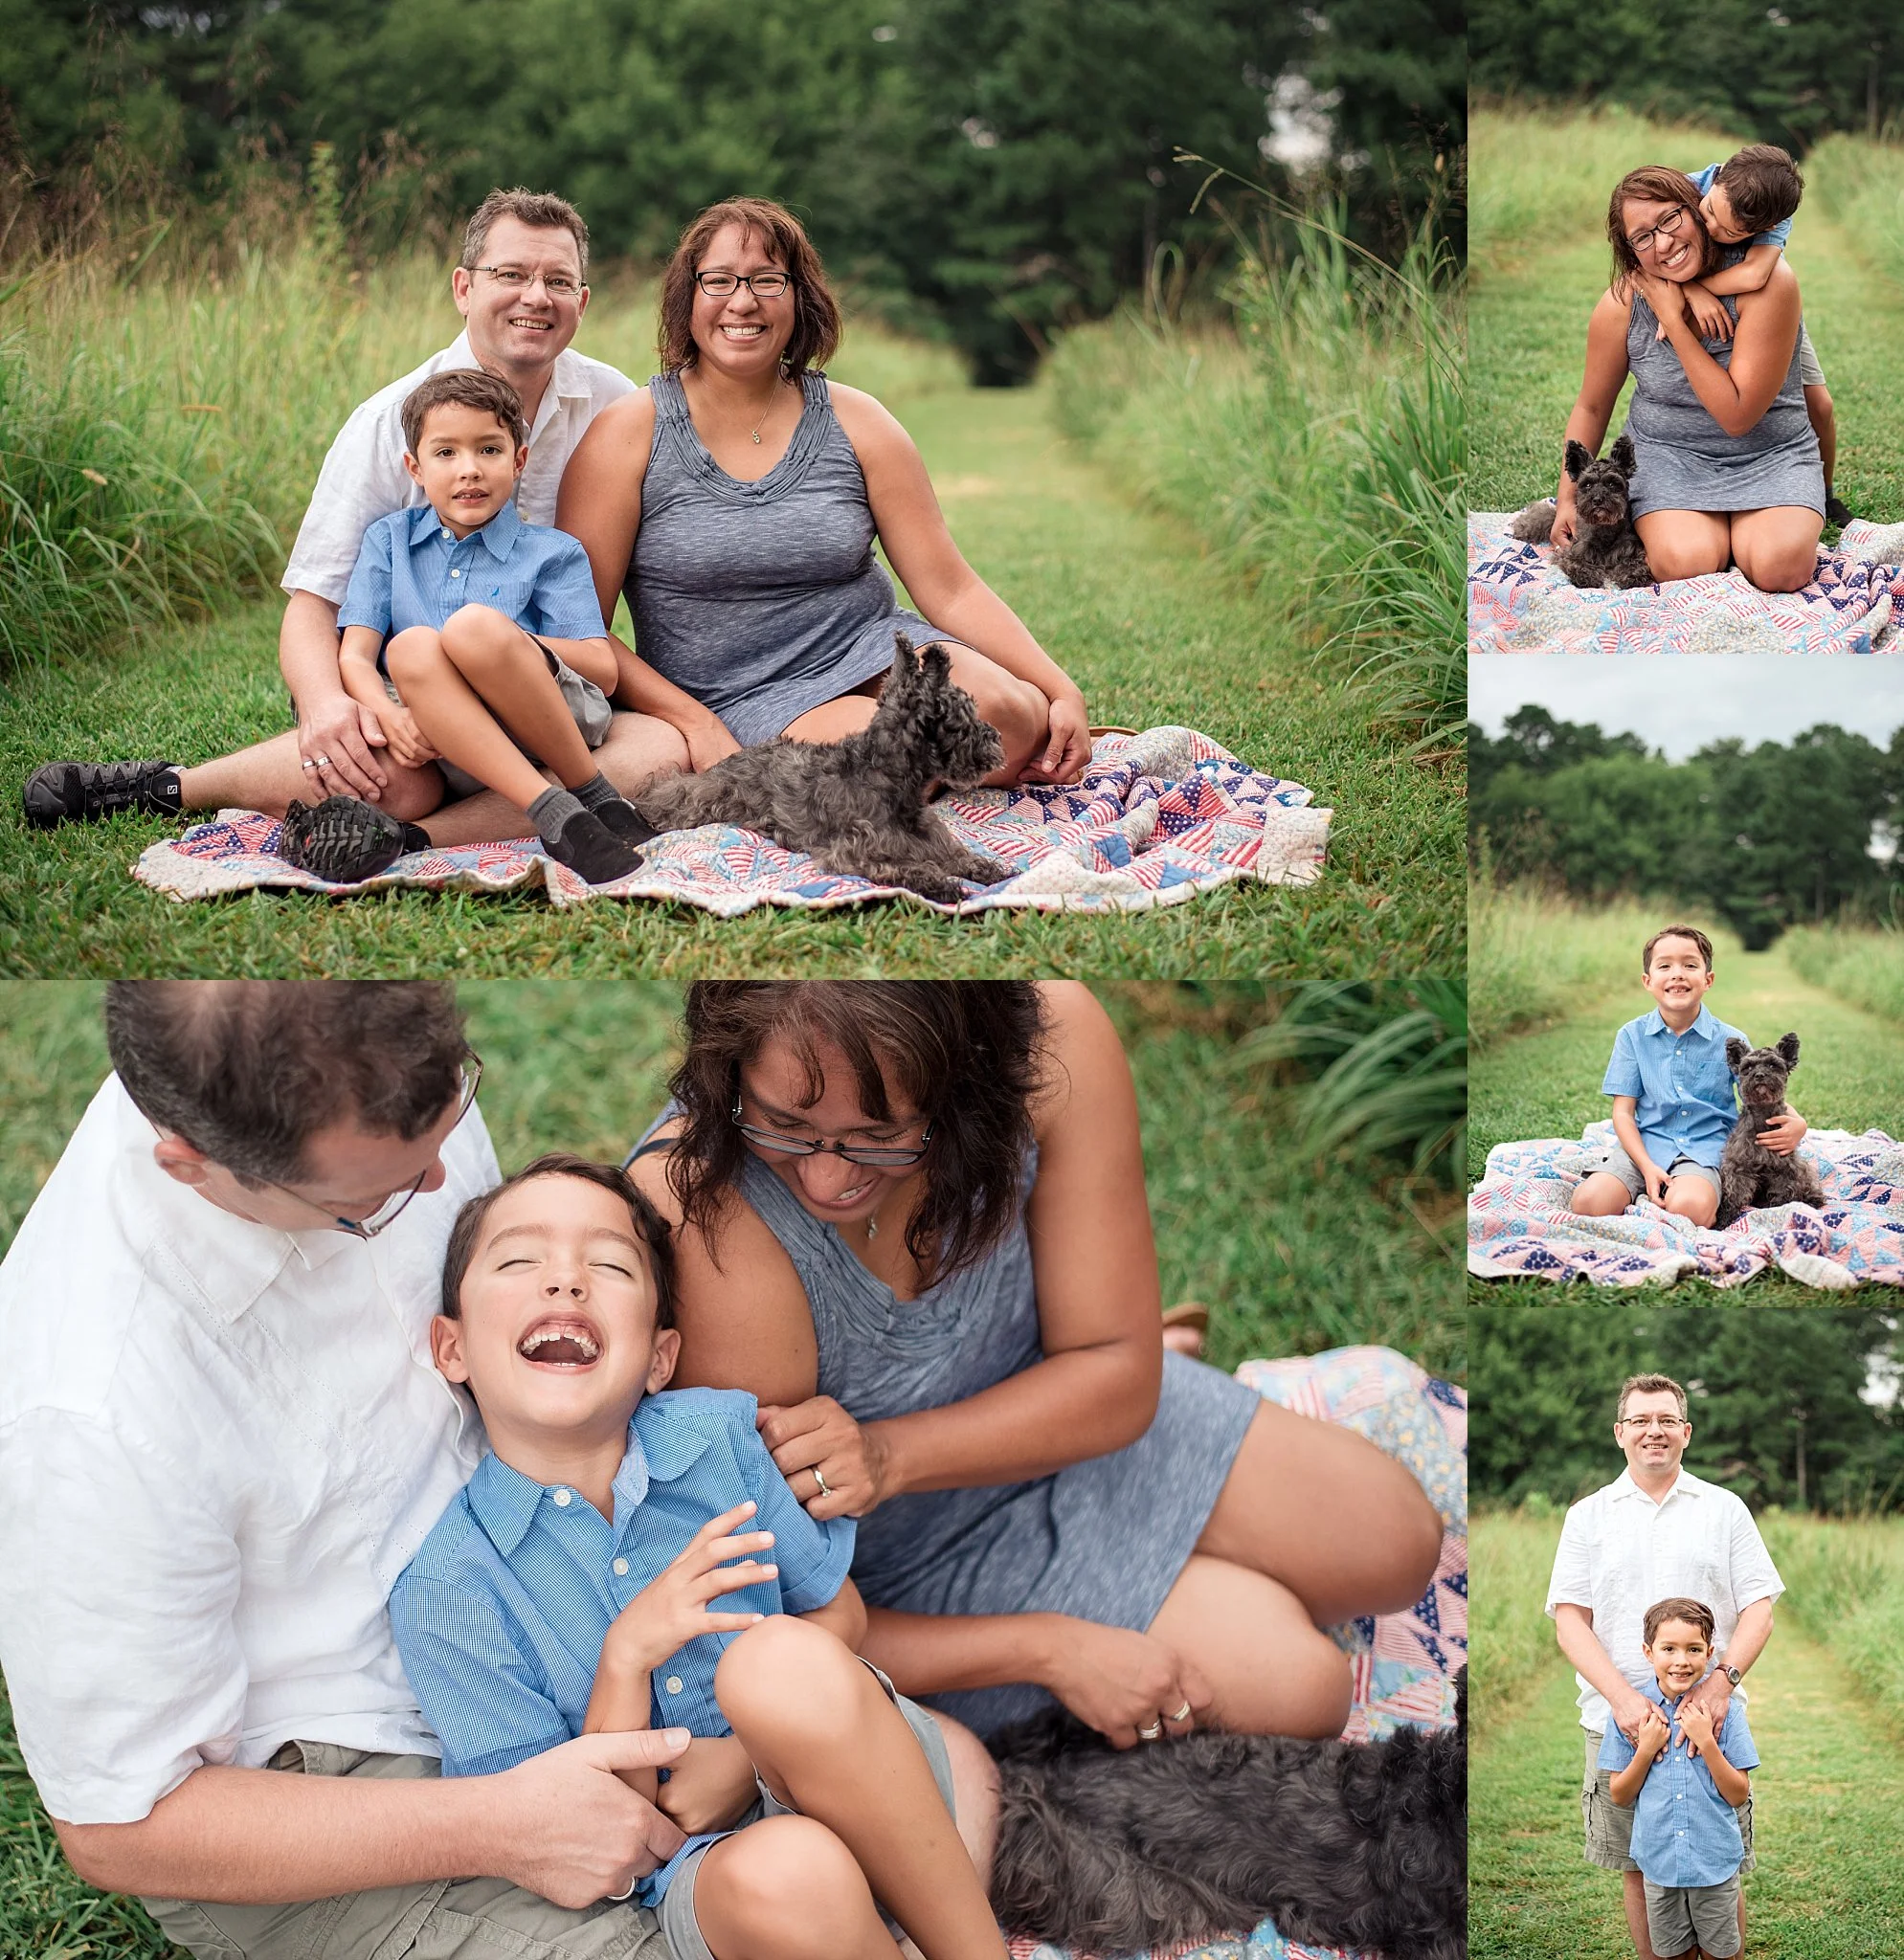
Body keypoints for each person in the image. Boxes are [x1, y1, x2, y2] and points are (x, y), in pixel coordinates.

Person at [0, 983, 997, 1960]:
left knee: (929, 1776)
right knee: (798, 1882)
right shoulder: (90, 1408)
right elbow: (119, 1825)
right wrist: (499, 1820)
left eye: (449, 1125)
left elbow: (814, 1609)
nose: (438, 1183)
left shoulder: (378, 1100)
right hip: (337, 1790)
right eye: (369, 1200)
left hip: (581, 1647)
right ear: (191, 1163)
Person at [627, 981, 1445, 1753]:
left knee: (1397, 1543)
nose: (828, 1177)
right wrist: (1049, 1651)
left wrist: (888, 1454)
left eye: (883, 1137)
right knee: (1306, 1687)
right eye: (783, 1126)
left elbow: (1113, 1372)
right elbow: (774, 1621)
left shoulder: (1052, 1043)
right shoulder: (711, 1211)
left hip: (1059, 1418)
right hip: (903, 1577)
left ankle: (1178, 1524)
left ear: (974, 1084)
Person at [391, 1155, 1006, 1960]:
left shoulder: (715, 1439)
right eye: (518, 1261)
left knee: (782, 1661)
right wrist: (625, 1657)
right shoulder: (447, 1592)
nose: (565, 1283)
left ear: (659, 1358)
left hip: (854, 1776)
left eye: (608, 1266)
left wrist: (748, 1761)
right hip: (715, 1880)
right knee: (791, 1872)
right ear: (452, 1349)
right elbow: (581, 1836)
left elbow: (837, 1610)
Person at [23, 189, 687, 844]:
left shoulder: (612, 405)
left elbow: (605, 631)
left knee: (654, 750)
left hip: (544, 697)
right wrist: (327, 705)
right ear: (463, 287)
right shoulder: (385, 421)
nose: (535, 296)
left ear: (582, 300)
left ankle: (404, 841)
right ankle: (171, 787)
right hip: (409, 702)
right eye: (510, 274)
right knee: (391, 776)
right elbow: (313, 604)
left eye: (557, 280)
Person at [557, 198, 1094, 788]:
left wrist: (1059, 687)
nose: (743, 302)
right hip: (734, 691)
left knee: (1010, 718)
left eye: (768, 280)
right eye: (719, 281)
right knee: (883, 756)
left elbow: (951, 586)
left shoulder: (858, 420)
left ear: (799, 297)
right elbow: (582, 626)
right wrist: (694, 722)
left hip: (868, 647)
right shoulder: (628, 432)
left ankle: (891, 779)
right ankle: (878, 780)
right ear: (688, 298)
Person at [324, 369, 653, 885]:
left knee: (471, 629)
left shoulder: (553, 552)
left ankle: (589, 793)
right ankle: (560, 815)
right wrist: (388, 717)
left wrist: (505, 642)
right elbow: (354, 656)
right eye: (446, 453)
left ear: (518, 460)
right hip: (446, 733)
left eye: (490, 450)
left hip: (547, 725)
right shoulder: (388, 541)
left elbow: (603, 672)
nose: (469, 471)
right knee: (410, 646)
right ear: (415, 467)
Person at [1546, 1372, 1782, 1960]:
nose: (1655, 1431)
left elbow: (1759, 1607)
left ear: (1686, 1432)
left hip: (1711, 1720)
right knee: (1638, 1862)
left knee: (1719, 1861)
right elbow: (1570, 1620)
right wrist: (1624, 1700)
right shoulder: (1588, 1516)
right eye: (1641, 1420)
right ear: (1620, 1433)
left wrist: (1724, 1681)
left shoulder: (1724, 1509)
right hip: (1620, 1723)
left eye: (1666, 1420)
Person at [1551, 165, 1824, 593]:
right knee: (1684, 562)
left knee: (1780, 568)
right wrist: (1567, 498)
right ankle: (1717, 535)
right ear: (1630, 249)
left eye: (1670, 219)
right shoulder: (1620, 304)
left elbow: (1738, 418)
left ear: (1696, 208)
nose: (1663, 243)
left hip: (1769, 454)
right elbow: (1592, 405)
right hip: (1669, 456)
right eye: (1642, 237)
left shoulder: (1770, 283)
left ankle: (1756, 530)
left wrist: (1675, 322)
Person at [1568, 924, 1807, 1230]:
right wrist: (1646, 1167)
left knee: (1689, 1211)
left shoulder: (1730, 1039)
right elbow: (1623, 1114)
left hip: (1704, 1150)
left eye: (1690, 965)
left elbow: (1761, 1094)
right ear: (1648, 980)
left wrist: (1798, 1123)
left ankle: (1684, 1190)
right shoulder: (1631, 1036)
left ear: (1708, 980)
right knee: (1588, 1204)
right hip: (1644, 1147)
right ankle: (1642, 1184)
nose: (1678, 973)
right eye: (1665, 965)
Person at [1683, 144, 1850, 528]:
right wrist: (1688, 292)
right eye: (1709, 213)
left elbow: (1756, 276)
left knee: (1820, 406)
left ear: (1767, 229)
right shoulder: (1688, 186)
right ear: (1719, 175)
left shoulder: (1776, 216)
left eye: (1731, 232)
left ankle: (1822, 493)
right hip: (1698, 294)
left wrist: (1698, 287)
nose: (1712, 230)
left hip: (1769, 304)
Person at [1600, 1597, 1758, 1960]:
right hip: (1659, 1864)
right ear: (1648, 1651)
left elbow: (1738, 1794)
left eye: (1693, 1649)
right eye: (1668, 1648)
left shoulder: (1724, 1714)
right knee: (1673, 1954)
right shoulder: (1631, 1715)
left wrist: (1706, 1740)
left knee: (1722, 1952)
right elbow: (1620, 1795)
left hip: (1713, 1863)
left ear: (1710, 1652)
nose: (1681, 1660)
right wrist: (1646, 1747)